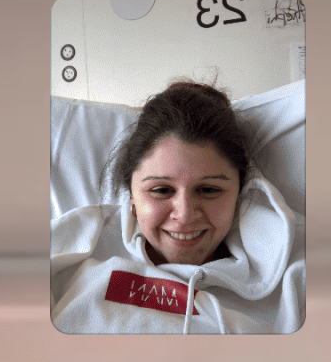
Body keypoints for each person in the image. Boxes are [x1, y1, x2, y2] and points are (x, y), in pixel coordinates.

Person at [51, 79, 304, 334]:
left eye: (209, 190)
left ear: (239, 194)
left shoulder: (295, 279)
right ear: (132, 196)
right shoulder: (80, 240)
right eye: (161, 190)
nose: (184, 215)